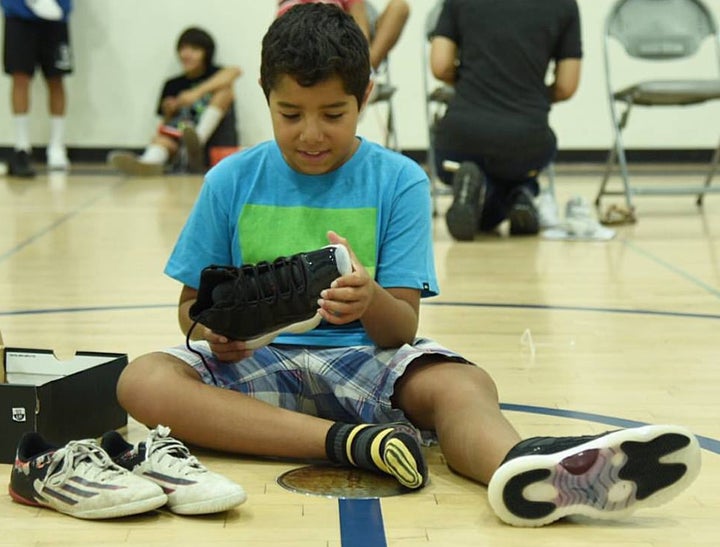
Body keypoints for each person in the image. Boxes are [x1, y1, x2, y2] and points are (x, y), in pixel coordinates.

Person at [116, 3, 700, 528]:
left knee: (464, 384)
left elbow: (401, 330)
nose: (311, 134)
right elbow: (189, 311)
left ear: (365, 98)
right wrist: (217, 331)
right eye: (290, 114)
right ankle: (348, 444)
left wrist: (369, 300)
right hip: (257, 369)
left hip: (366, 362)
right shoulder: (230, 180)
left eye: (333, 114)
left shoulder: (398, 180)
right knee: (141, 379)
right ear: (266, 96)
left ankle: (526, 468)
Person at [430, 0, 583, 240]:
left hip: (462, 136)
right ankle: (521, 193)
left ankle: (479, 184)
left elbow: (440, 66)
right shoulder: (564, 5)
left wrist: (472, 84)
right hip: (526, 141)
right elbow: (566, 85)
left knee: (465, 168)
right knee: (527, 161)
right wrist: (532, 97)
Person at [109, 27, 241, 176]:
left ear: (206, 53)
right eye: (183, 49)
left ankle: (197, 141)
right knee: (161, 141)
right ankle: (147, 164)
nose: (187, 54)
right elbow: (165, 123)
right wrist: (169, 111)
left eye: (194, 49)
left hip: (214, 144)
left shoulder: (217, 74)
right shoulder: (172, 84)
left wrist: (195, 93)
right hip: (181, 146)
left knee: (225, 92)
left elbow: (235, 71)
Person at [2, 0, 73, 177]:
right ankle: (22, 147)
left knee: (56, 78)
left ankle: (57, 147)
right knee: (20, 77)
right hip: (19, 15)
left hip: (56, 16)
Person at [276, 0, 409, 72]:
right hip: (307, 46)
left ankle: (365, 70)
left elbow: (361, 27)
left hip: (347, 42)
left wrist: (360, 55)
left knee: (399, 6)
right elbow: (286, 27)